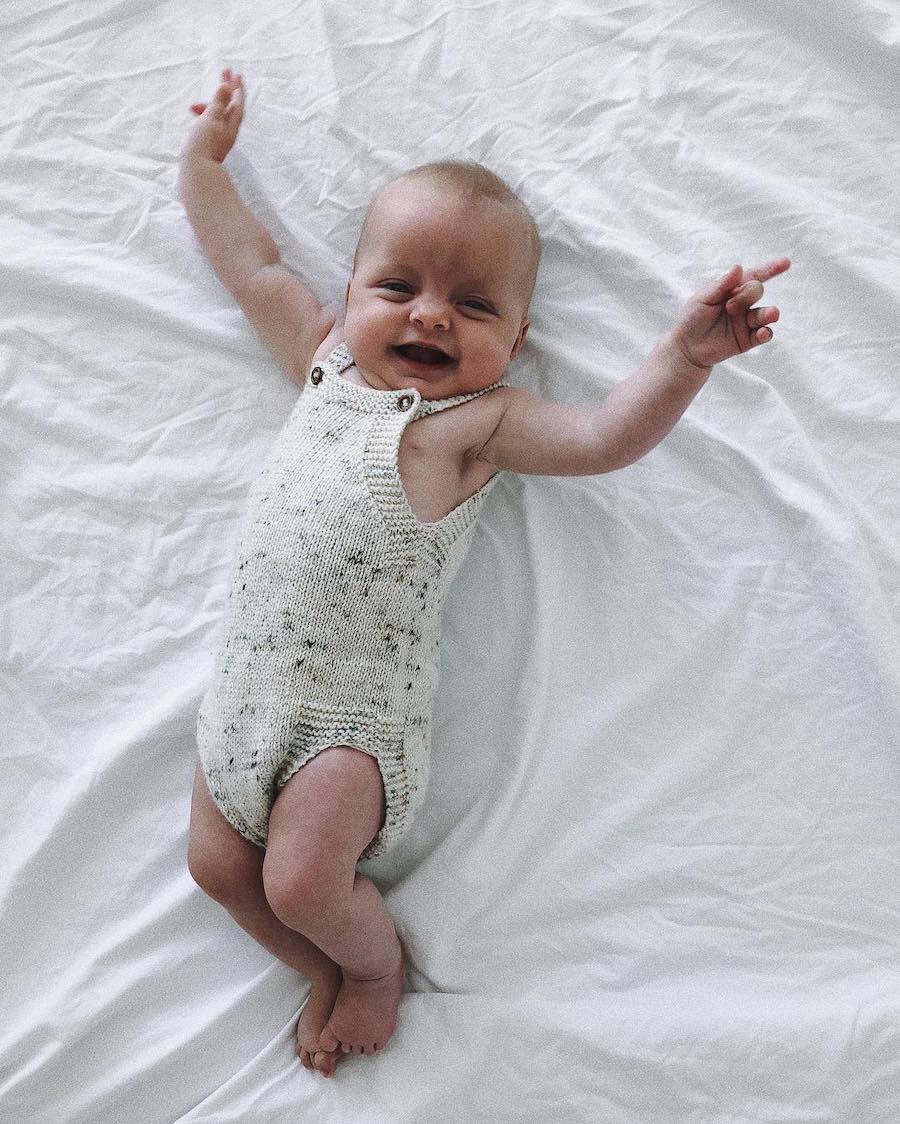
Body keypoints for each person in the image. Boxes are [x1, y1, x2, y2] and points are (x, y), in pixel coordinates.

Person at [180, 68, 790, 1079]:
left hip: (349, 725)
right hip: (243, 694)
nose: (431, 318)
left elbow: (602, 436)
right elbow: (250, 265)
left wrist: (684, 358)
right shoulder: (324, 359)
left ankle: (370, 967)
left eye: (473, 305)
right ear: (349, 296)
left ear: (516, 341)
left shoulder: (476, 424)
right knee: (214, 867)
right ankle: (317, 967)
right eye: (397, 289)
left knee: (299, 881)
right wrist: (204, 165)